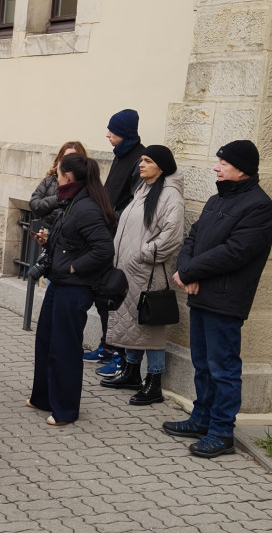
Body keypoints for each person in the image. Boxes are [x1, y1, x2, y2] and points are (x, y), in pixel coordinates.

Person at [164, 140, 272, 458]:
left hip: (226, 301)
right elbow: (194, 236)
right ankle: (201, 419)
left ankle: (221, 432)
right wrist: (185, 269)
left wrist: (190, 273)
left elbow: (235, 252)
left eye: (223, 163)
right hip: (201, 295)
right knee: (202, 365)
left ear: (241, 168)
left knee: (223, 368)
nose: (216, 167)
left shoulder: (260, 207)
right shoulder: (217, 199)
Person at [27, 153, 115, 426]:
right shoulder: (73, 202)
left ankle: (65, 410)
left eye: (59, 174)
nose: (56, 178)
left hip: (74, 287)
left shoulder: (86, 207)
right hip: (61, 282)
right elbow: (71, 239)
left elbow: (104, 249)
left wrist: (75, 267)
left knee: (64, 348)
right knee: (45, 341)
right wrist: (48, 241)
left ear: (67, 177)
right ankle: (43, 398)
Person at [99, 145, 185, 405]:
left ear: (162, 166)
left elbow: (172, 236)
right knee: (132, 326)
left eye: (148, 160)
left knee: (151, 329)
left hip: (147, 273)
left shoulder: (170, 196)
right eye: (142, 160)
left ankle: (154, 382)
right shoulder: (143, 189)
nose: (142, 164)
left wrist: (144, 254)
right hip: (128, 272)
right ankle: (131, 372)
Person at [89, 109, 146, 375]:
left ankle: (119, 353)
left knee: (115, 295)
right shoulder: (121, 155)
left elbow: (136, 203)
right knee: (102, 294)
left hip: (120, 236)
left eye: (112, 130)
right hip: (106, 230)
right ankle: (107, 344)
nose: (108, 134)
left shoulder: (138, 159)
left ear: (124, 132)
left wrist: (113, 218)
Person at [29, 141, 88, 235]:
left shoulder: (85, 185)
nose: (68, 162)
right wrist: (58, 198)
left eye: (72, 158)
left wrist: (47, 213)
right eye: (65, 158)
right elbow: (35, 204)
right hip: (49, 232)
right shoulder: (49, 181)